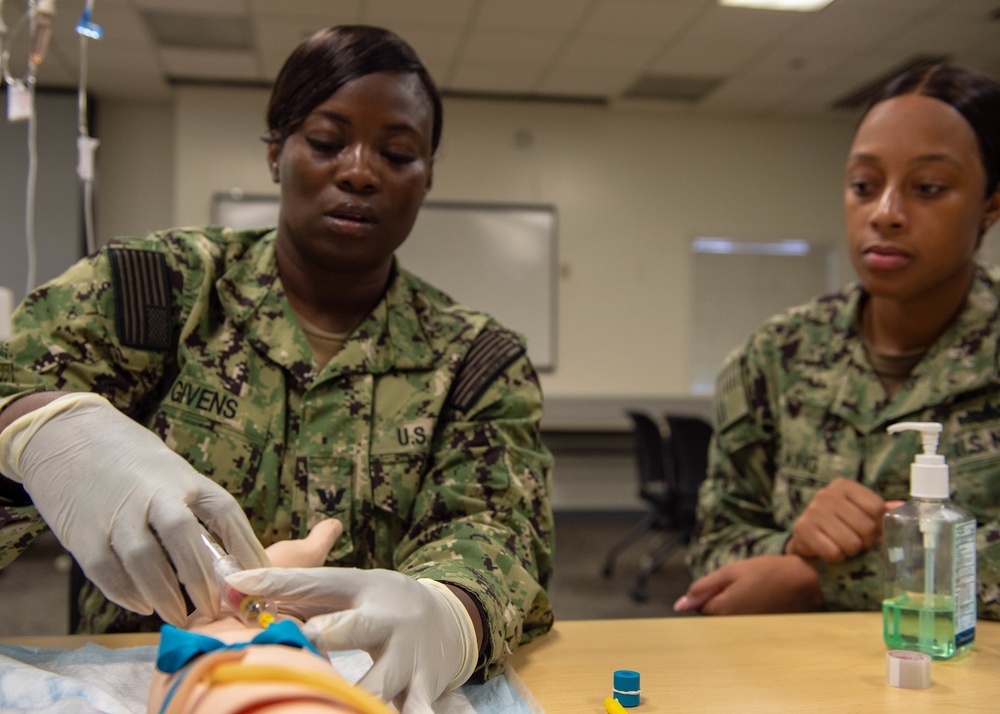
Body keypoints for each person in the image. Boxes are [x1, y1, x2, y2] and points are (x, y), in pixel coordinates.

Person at [0, 24, 554, 712]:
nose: (359, 170)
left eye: (399, 153)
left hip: (360, 688)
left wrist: (452, 609)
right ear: (275, 152)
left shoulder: (475, 360)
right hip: (154, 681)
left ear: (428, 177)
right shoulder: (153, 292)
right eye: (326, 142)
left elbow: (499, 530)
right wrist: (33, 432)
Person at [676, 63, 1000, 618]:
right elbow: (714, 555)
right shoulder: (774, 358)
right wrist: (793, 544)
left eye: (927, 188)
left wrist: (819, 578)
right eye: (863, 186)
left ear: (990, 205)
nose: (886, 213)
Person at [147, 519, 394, 714]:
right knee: (241, 611)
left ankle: (291, 566)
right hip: (288, 657)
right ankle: (292, 570)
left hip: (202, 657)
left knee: (212, 618)